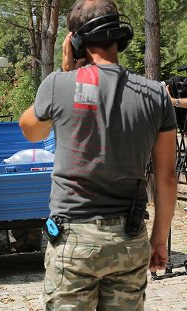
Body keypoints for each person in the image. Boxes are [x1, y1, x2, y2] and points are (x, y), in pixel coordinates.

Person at [18, 0, 177, 310]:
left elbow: (31, 131)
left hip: (73, 240)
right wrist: (159, 239)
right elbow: (167, 177)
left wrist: (65, 75)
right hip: (128, 239)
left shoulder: (58, 86)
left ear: (75, 41)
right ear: (120, 35)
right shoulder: (156, 95)